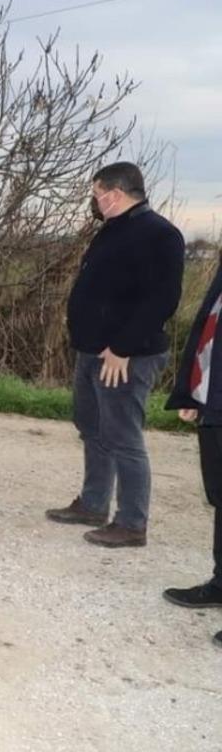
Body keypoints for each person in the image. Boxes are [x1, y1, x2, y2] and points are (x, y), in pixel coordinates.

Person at [46, 162, 185, 547]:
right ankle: (93, 503)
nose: (94, 201)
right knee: (92, 429)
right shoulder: (112, 230)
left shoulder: (160, 234)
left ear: (115, 193)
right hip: (91, 350)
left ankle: (131, 522)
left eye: (96, 194)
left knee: (123, 436)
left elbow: (162, 300)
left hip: (126, 356)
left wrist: (123, 347)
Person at [163, 252, 222, 649]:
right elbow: (208, 330)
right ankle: (220, 582)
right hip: (215, 402)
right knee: (220, 497)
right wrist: (194, 389)